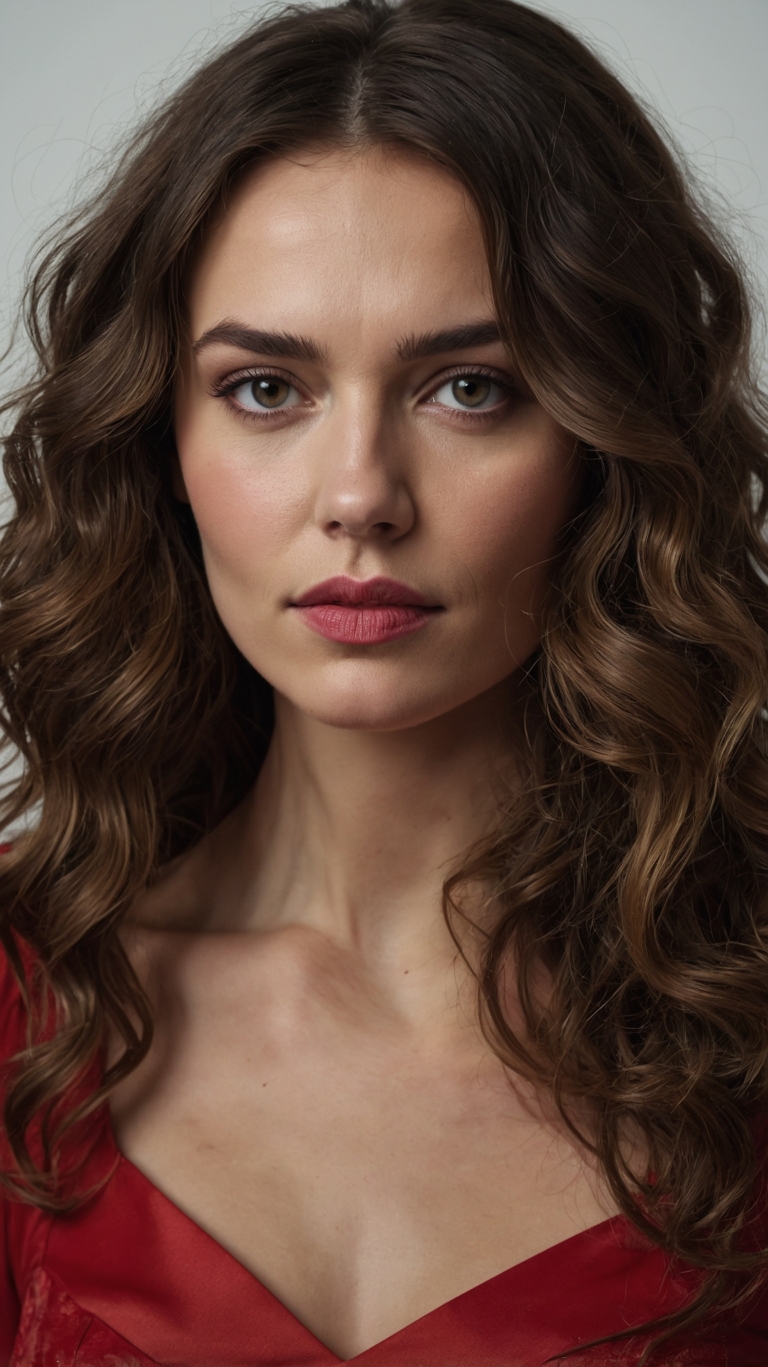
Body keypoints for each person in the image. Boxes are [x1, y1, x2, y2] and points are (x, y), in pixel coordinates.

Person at [1, 0, 767, 1361]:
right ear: (157, 441)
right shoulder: (20, 1021)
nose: (360, 496)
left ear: (605, 444)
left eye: (469, 388)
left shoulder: (741, 1028)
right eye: (266, 390)